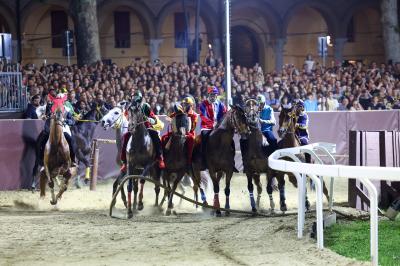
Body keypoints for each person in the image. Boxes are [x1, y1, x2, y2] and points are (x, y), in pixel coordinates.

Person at [120, 91, 165, 172]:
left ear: (139, 98)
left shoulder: (145, 106)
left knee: (155, 136)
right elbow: (127, 116)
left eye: (135, 96)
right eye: (132, 96)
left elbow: (153, 118)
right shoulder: (130, 107)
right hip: (134, 128)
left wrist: (149, 119)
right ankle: (125, 161)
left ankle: (160, 158)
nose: (133, 98)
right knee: (125, 137)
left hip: (146, 127)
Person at [37, 89, 76, 167]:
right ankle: (41, 159)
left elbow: (72, 121)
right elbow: (45, 116)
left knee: (71, 141)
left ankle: (72, 160)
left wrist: (65, 121)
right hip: (52, 129)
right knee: (41, 141)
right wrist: (45, 117)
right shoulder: (51, 109)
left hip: (63, 130)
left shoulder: (67, 111)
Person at [161, 97, 198, 167]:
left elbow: (193, 127)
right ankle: (162, 158)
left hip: (189, 132)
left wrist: (186, 132)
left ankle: (189, 160)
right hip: (176, 131)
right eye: (183, 104)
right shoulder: (180, 111)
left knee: (192, 140)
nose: (184, 106)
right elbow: (168, 117)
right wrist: (170, 119)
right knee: (163, 138)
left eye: (186, 104)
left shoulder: (194, 115)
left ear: (191, 105)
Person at [199, 86, 227, 169]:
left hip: (218, 126)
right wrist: (212, 124)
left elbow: (225, 114)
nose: (213, 96)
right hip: (206, 127)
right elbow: (203, 116)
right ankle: (203, 161)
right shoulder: (203, 104)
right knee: (204, 137)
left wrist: (220, 124)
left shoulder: (220, 104)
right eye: (211, 95)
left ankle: (229, 161)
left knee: (228, 138)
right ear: (208, 94)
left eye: (215, 95)